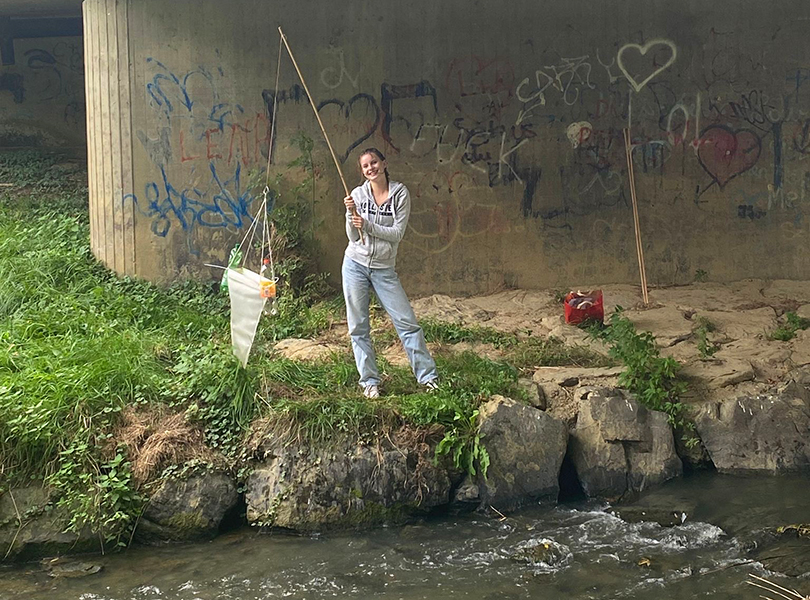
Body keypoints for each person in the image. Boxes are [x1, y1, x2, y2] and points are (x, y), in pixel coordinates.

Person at [342, 147, 439, 399]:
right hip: (355, 264)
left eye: (374, 162)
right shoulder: (357, 195)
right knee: (358, 326)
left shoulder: (400, 193)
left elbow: (397, 233)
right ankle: (369, 382)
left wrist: (367, 224)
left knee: (407, 323)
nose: (370, 168)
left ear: (384, 164)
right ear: (362, 171)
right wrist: (350, 214)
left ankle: (428, 378)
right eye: (365, 166)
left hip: (384, 269)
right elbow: (353, 237)